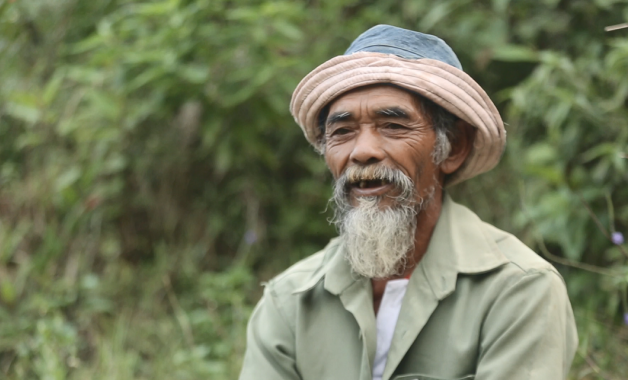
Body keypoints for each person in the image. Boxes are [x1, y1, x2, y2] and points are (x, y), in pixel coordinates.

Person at [239, 25, 578, 380]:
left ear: (453, 148)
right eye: (342, 131)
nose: (363, 151)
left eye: (393, 126)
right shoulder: (290, 301)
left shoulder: (519, 290)